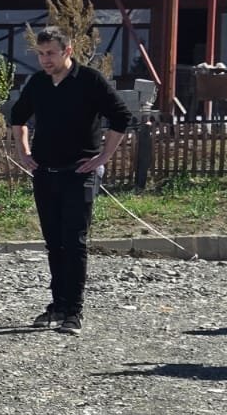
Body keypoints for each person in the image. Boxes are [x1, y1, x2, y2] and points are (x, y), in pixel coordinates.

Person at [8, 25, 133, 337]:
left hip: (79, 172)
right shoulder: (38, 83)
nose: (45, 60)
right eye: (40, 54)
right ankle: (57, 305)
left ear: (68, 51)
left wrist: (104, 156)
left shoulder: (89, 80)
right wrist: (23, 152)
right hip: (45, 173)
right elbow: (17, 117)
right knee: (54, 242)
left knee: (74, 241)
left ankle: (74, 311)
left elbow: (121, 116)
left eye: (51, 53)